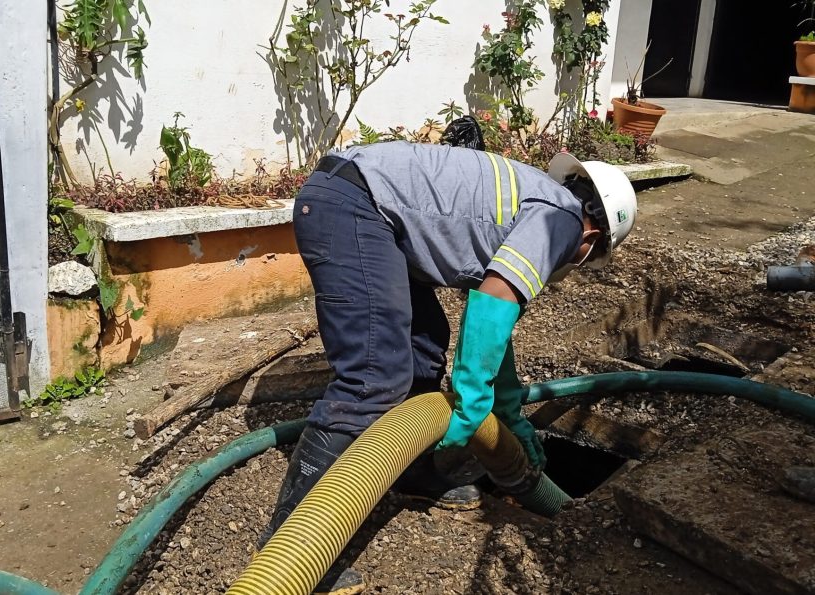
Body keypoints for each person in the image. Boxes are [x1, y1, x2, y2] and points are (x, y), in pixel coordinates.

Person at [257, 138, 638, 594]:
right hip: (355, 205)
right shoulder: (562, 221)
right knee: (374, 376)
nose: (573, 265)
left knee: (423, 345)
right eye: (586, 261)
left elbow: (493, 325)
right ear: (592, 239)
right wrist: (473, 403)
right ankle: (290, 547)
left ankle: (411, 472)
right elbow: (495, 301)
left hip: (363, 204)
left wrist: (510, 415)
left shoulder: (538, 200)